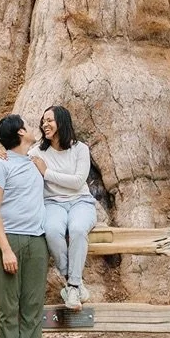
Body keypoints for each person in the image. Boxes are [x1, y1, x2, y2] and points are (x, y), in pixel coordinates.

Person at [0, 113, 49, 338]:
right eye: (29, 126)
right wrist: (6, 249)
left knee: (32, 307)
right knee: (8, 307)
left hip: (36, 241)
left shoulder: (38, 162)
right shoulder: (0, 165)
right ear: (21, 132)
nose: (34, 129)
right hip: (7, 241)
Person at [31, 104, 98, 311]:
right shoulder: (37, 152)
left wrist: (47, 172)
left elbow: (78, 182)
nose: (45, 124)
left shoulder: (80, 149)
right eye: (43, 121)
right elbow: (16, 159)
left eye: (49, 120)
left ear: (62, 122)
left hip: (81, 201)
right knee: (51, 231)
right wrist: (0, 155)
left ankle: (72, 287)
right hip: (52, 203)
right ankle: (74, 284)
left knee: (78, 230)